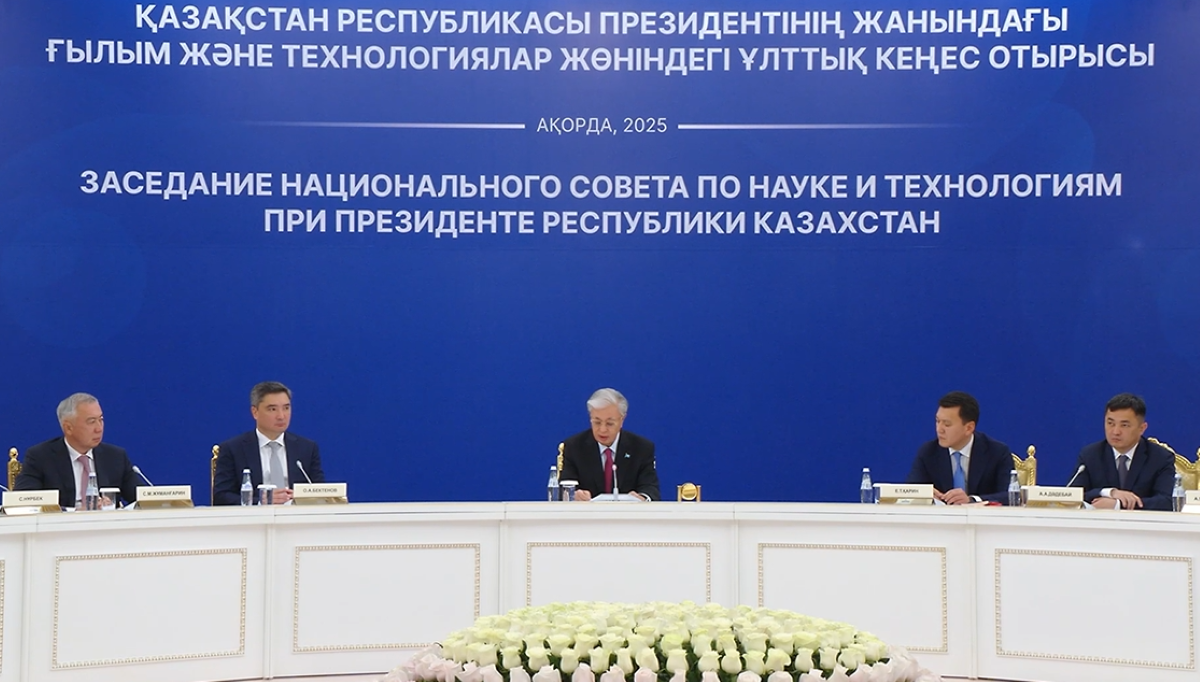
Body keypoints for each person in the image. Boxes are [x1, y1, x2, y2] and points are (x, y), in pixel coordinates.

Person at [15, 393, 139, 508]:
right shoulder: (41, 457)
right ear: (68, 428)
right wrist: (74, 512)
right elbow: (23, 502)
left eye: (101, 420)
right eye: (91, 422)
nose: (99, 428)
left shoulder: (115, 457)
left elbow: (142, 500)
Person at [213, 381, 324, 505]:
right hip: (254, 515)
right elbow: (221, 496)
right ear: (255, 412)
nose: (281, 416)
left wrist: (302, 497)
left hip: (296, 515)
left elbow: (321, 493)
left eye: (286, 408)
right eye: (272, 409)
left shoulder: (307, 448)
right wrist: (260, 501)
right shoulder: (233, 449)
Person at [1069, 393, 1175, 510]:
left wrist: (1118, 505)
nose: (1115, 432)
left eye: (1124, 425)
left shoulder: (1160, 458)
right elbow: (1073, 496)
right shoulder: (1091, 455)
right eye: (1110, 423)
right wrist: (1108, 492)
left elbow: (1166, 502)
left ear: (1142, 428)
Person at [906, 391, 1014, 504]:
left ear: (969, 428)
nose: (939, 429)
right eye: (937, 421)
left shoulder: (997, 452)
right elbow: (910, 489)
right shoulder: (928, 452)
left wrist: (972, 500)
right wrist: (924, 493)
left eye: (947, 424)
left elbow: (1010, 495)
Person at [559, 388, 660, 501]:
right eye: (597, 422)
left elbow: (650, 488)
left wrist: (642, 497)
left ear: (622, 420)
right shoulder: (574, 447)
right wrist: (574, 495)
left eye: (609, 423)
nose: (602, 429)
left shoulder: (641, 448)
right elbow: (564, 487)